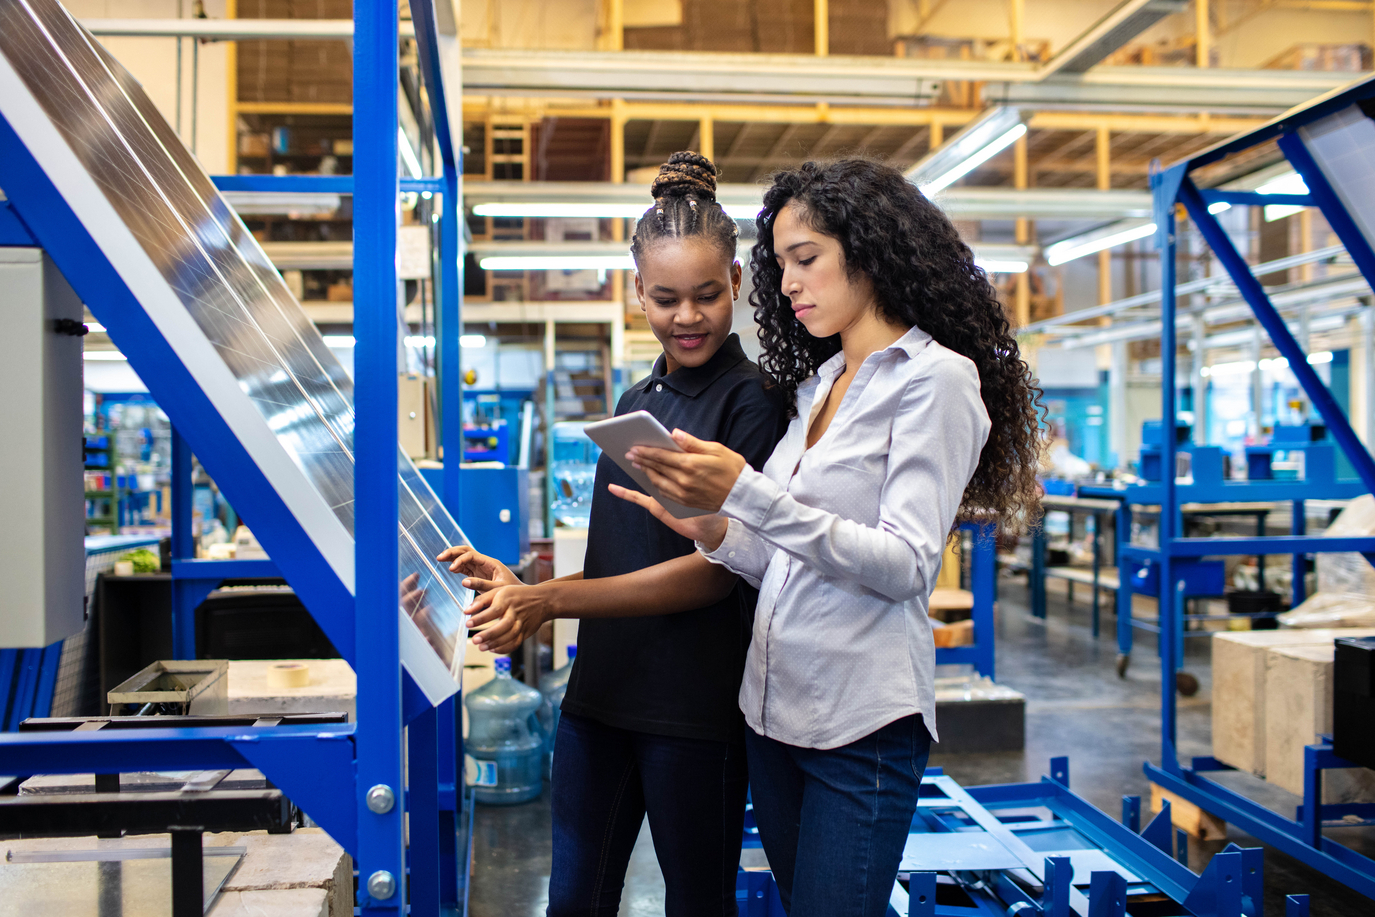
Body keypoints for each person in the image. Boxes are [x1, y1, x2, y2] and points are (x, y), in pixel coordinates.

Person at [611, 158, 1044, 917]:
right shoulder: (819, 385)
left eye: (805, 259)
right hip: (772, 715)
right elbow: (776, 551)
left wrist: (745, 492)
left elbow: (906, 563)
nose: (787, 285)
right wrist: (708, 523)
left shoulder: (933, 382)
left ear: (869, 250)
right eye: (780, 266)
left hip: (860, 723)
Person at [438, 151, 789, 917]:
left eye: (704, 294)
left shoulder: (752, 404)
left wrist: (549, 598)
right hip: (598, 698)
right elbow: (626, 546)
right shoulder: (638, 396)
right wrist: (520, 577)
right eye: (665, 298)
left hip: (693, 711)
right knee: (575, 902)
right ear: (636, 293)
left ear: (735, 283)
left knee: (694, 905)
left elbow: (715, 570)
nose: (686, 316)